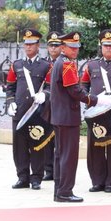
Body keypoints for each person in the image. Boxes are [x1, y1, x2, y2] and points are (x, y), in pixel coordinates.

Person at [49, 31, 111, 203]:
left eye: (77, 47)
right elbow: (75, 91)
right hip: (68, 117)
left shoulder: (59, 63)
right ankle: (65, 191)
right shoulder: (67, 64)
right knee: (68, 156)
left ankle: (59, 190)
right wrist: (96, 99)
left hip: (60, 116)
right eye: (71, 47)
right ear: (63, 47)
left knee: (60, 155)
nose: (75, 50)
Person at [80, 29, 111, 193]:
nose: (108, 48)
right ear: (101, 46)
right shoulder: (92, 65)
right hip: (95, 112)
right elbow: (83, 85)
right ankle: (97, 181)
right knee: (95, 148)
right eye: (105, 45)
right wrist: (88, 98)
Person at [5, 29, 51, 190]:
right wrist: (10, 102)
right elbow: (10, 86)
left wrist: (45, 95)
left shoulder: (46, 65)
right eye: (26, 44)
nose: (28, 47)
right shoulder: (17, 65)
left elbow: (51, 86)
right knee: (19, 146)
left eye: (32, 44)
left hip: (37, 112)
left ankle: (36, 177)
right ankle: (22, 176)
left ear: (38, 45)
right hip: (20, 111)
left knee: (37, 144)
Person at [42, 31, 63, 181]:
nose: (54, 48)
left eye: (57, 45)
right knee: (46, 139)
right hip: (45, 107)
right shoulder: (43, 63)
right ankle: (48, 169)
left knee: (59, 141)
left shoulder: (66, 62)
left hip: (61, 107)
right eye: (51, 45)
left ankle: (59, 170)